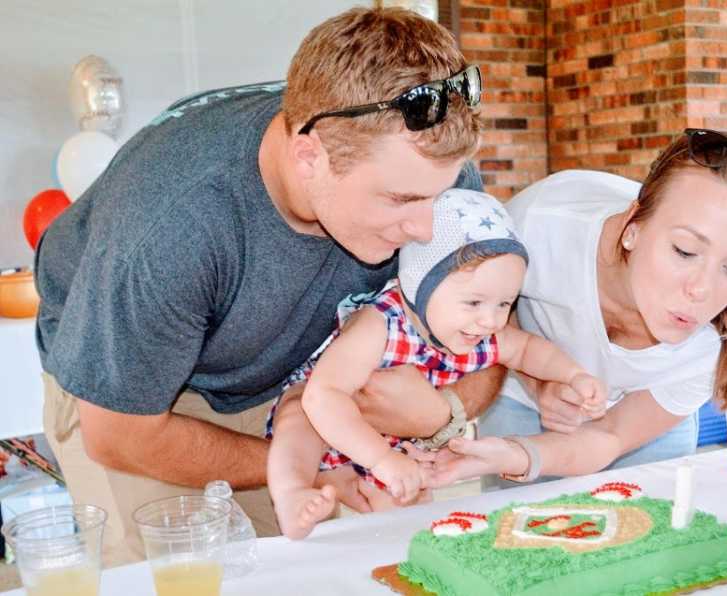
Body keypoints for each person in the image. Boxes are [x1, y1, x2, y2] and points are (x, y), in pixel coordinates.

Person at [33, 7, 499, 565]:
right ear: (309, 155)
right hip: (144, 393)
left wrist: (439, 411)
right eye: (399, 201)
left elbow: (496, 341)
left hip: (309, 376)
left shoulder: (428, 167)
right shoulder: (174, 223)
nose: (426, 229)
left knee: (382, 563)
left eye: (439, 196)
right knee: (197, 574)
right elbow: (120, 435)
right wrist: (311, 461)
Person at [432, 128, 727, 485]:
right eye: (684, 251)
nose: (701, 290)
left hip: (644, 427)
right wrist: (537, 381)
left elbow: (612, 435)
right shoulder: (538, 226)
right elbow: (480, 322)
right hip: (519, 403)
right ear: (632, 226)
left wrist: (523, 456)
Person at [267, 189, 606, 539]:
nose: (490, 320)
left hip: (396, 445)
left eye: (504, 303)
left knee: (407, 516)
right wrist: (381, 459)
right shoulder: (380, 322)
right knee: (297, 414)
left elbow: (528, 351)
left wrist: (573, 374)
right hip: (329, 423)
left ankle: (401, 547)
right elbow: (324, 396)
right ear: (420, 285)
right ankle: (291, 493)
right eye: (474, 302)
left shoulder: (480, 332)